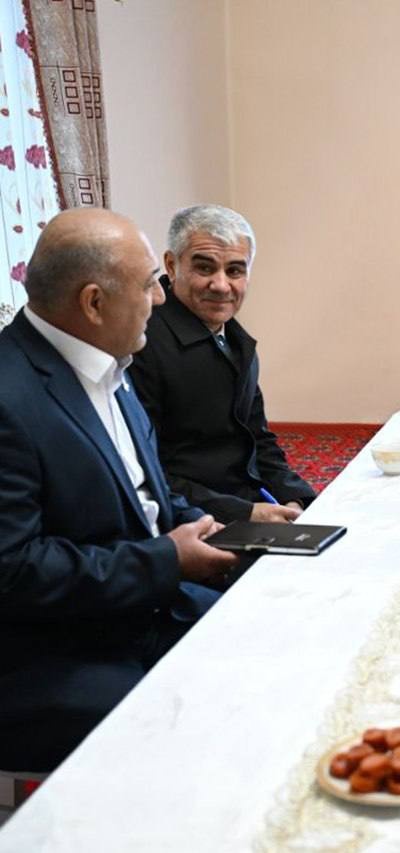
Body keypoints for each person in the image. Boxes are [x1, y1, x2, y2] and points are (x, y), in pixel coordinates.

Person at [0, 209, 239, 772]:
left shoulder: (109, 363)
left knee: (268, 640)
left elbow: (146, 495)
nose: (159, 298)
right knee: (196, 727)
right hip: (54, 651)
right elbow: (13, 570)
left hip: (138, 606)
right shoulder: (10, 396)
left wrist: (216, 531)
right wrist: (166, 560)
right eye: (149, 283)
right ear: (93, 302)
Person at [130, 204, 315, 524]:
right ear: (171, 266)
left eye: (235, 271)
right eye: (204, 268)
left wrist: (295, 497)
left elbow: (257, 437)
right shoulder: (140, 343)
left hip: (248, 504)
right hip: (192, 520)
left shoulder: (234, 338)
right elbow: (144, 471)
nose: (220, 285)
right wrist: (243, 514)